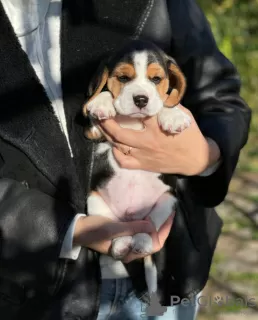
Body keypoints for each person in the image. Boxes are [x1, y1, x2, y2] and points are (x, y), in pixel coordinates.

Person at [0, 0, 251, 319]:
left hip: (168, 267)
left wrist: (205, 154)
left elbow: (222, 98)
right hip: (33, 283)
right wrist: (67, 229)